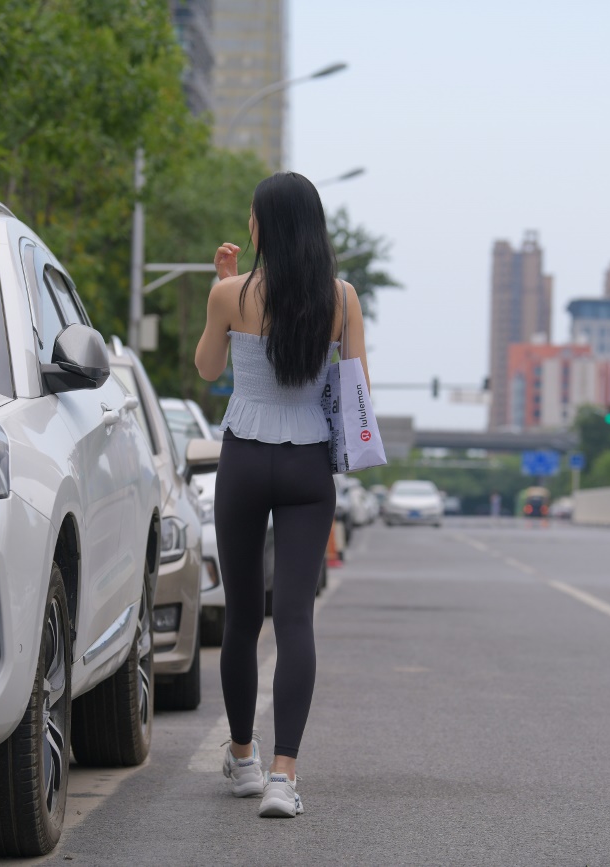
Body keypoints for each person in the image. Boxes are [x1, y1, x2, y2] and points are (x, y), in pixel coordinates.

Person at [195, 172, 369, 818]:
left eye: (252, 215)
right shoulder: (342, 298)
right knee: (295, 619)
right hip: (307, 468)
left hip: (243, 459)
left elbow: (208, 369)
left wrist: (221, 289)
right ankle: (282, 776)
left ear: (265, 226)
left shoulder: (229, 294)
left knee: (243, 618)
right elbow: (356, 390)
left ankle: (242, 758)